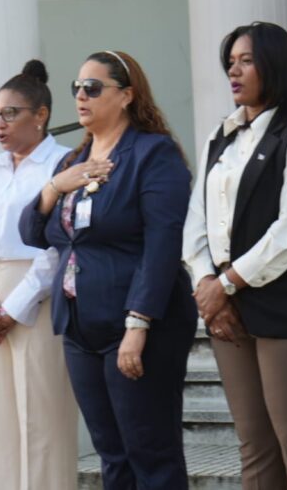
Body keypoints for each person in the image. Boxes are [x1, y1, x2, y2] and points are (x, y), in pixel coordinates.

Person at [19, 50, 196, 490]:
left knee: (150, 452)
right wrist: (55, 186)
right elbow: (33, 232)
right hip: (80, 326)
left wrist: (138, 324)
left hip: (135, 323)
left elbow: (162, 245)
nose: (81, 96)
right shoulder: (72, 162)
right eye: (77, 88)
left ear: (126, 95)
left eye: (93, 88)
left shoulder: (153, 154)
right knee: (111, 454)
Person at [184, 22, 287, 490]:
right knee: (254, 446)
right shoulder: (221, 134)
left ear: (275, 65)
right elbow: (196, 219)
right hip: (227, 308)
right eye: (230, 62)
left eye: (246, 61)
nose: (233, 71)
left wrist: (224, 284)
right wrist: (205, 283)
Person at [0, 60, 78, 490]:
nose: (0, 124)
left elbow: (56, 245)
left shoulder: (62, 162)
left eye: (10, 113)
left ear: (40, 115)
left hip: (36, 297)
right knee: (4, 418)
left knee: (42, 415)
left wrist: (13, 308)